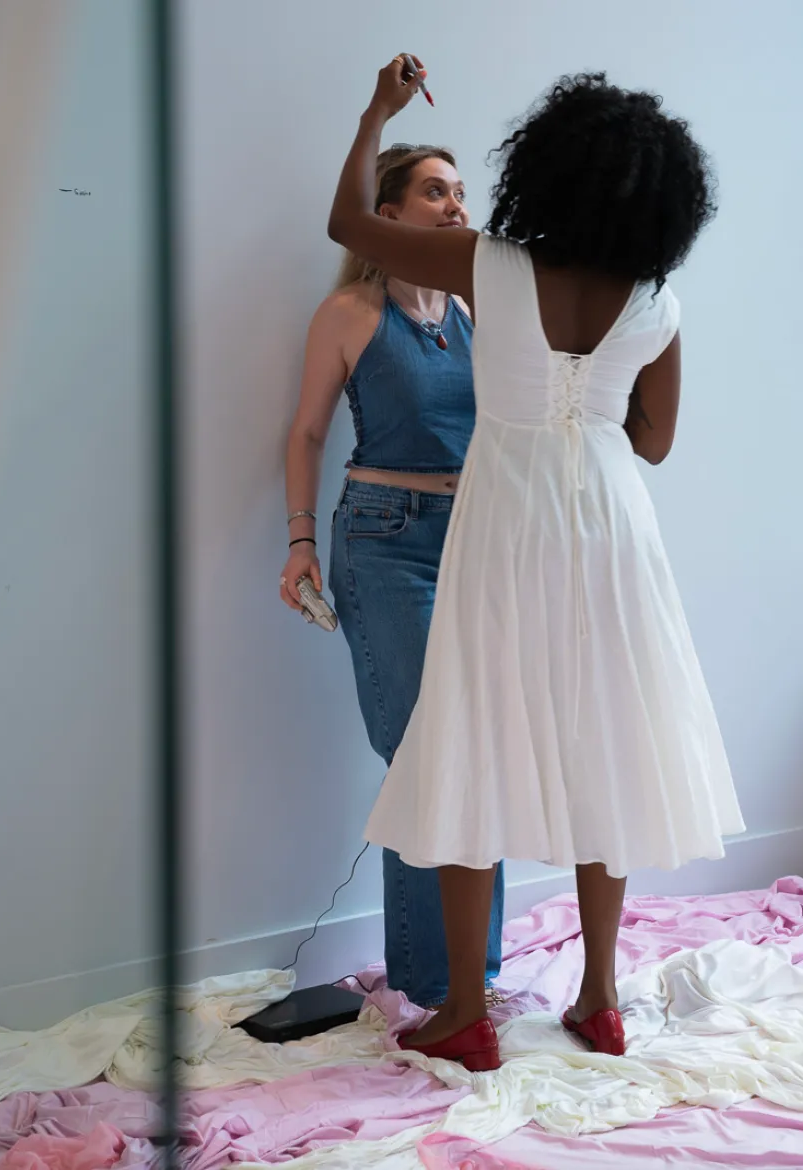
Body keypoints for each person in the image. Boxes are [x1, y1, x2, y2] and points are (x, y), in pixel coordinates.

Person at [329, 57, 746, 1074]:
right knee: (606, 736)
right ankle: (601, 999)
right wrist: (594, 405)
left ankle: (467, 1009)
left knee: (473, 728)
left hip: (507, 513)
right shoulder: (657, 300)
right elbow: (654, 443)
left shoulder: (490, 262)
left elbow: (348, 225)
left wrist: (377, 114)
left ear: (547, 169)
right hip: (609, 525)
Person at [281, 143, 506, 1011]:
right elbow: (305, 434)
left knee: (482, 750)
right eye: (435, 191)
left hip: (483, 540)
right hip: (384, 537)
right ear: (389, 211)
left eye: (460, 191)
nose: (455, 205)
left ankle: (473, 977)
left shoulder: (481, 309)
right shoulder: (350, 311)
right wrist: (300, 541)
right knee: (422, 754)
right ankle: (432, 979)